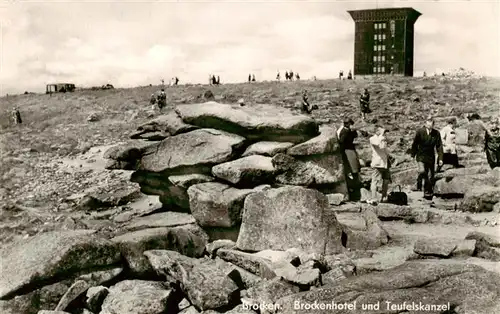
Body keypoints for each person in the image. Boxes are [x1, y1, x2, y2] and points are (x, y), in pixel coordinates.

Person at [410, 117, 444, 199]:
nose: (430, 126)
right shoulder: (420, 132)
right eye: (428, 124)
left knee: (430, 175)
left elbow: (439, 146)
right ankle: (419, 182)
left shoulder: (436, 133)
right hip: (421, 155)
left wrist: (440, 158)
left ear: (433, 125)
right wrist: (412, 155)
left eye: (431, 124)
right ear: (425, 124)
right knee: (422, 171)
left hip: (431, 156)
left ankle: (427, 192)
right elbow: (415, 144)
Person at [338, 118, 361, 200]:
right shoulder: (345, 132)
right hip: (348, 151)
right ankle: (354, 189)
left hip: (349, 150)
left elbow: (355, 135)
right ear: (348, 124)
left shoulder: (347, 131)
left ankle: (354, 187)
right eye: (351, 124)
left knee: (354, 169)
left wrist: (353, 131)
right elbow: (342, 142)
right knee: (353, 169)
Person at [368, 127, 391, 205]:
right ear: (377, 131)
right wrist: (381, 135)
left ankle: (384, 197)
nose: (384, 133)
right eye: (382, 131)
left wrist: (389, 157)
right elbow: (378, 145)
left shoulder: (383, 139)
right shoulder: (372, 139)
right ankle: (373, 198)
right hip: (377, 163)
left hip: (385, 162)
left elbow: (385, 149)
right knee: (375, 181)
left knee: (386, 180)